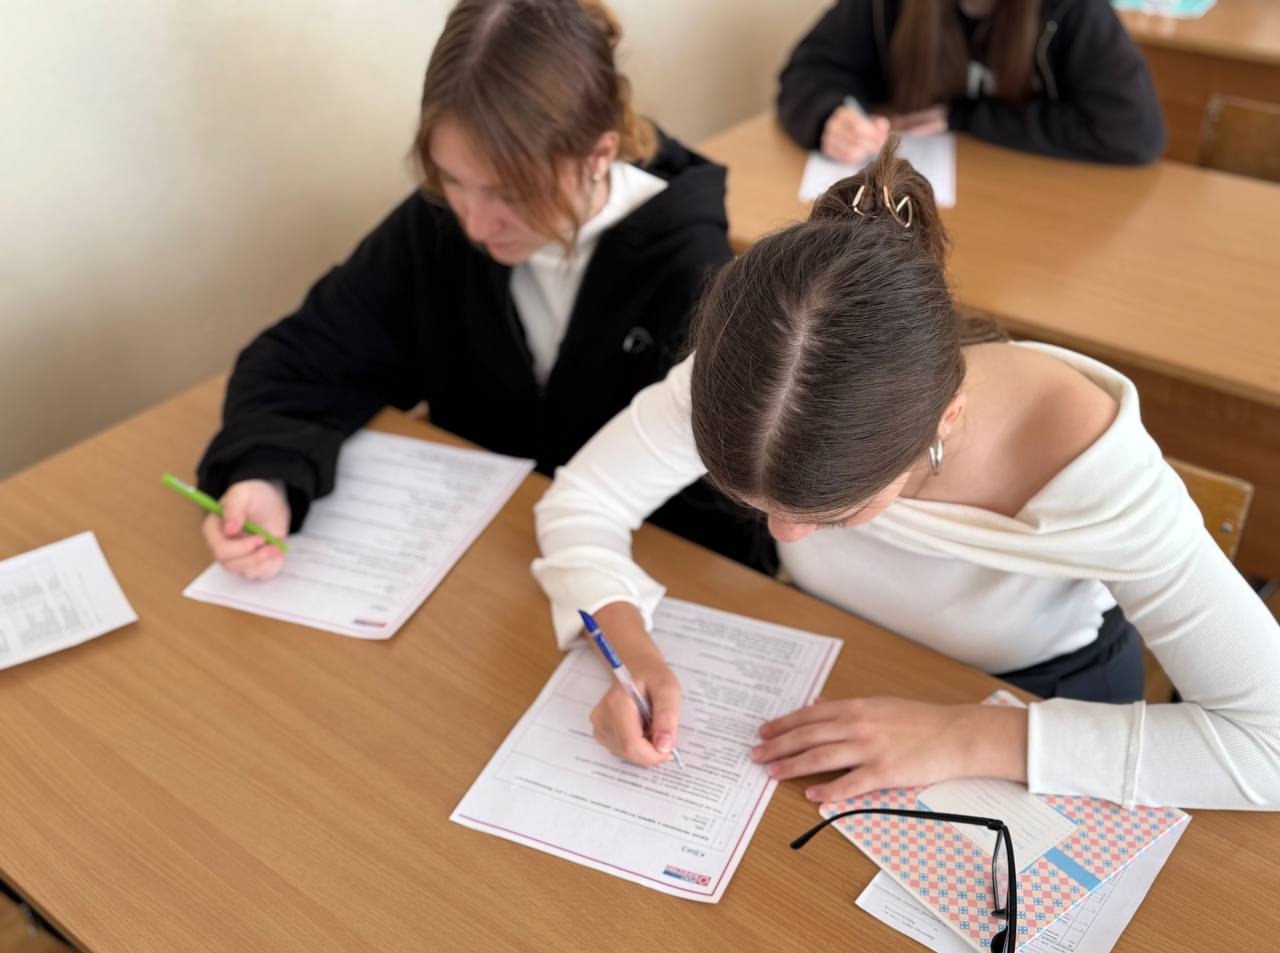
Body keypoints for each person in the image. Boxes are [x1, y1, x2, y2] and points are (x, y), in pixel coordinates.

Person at [531, 138, 1280, 810]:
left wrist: (965, 736)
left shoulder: (1089, 458)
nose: (784, 535)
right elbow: (585, 501)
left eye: (831, 513)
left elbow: (1268, 747)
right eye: (760, 506)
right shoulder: (755, 377)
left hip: (1036, 702)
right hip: (833, 656)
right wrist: (627, 647)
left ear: (946, 419)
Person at [195, 0, 767, 580]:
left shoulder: (690, 273)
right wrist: (266, 475)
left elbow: (729, 514)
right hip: (473, 571)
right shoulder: (437, 227)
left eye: (510, 194)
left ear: (598, 154)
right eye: (452, 179)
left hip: (625, 585)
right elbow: (306, 360)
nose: (475, 223)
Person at [778, 0, 1165, 166]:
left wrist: (967, 118)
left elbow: (1133, 131)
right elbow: (810, 69)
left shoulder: (1073, 9)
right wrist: (829, 116)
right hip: (902, 217)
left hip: (1023, 200)